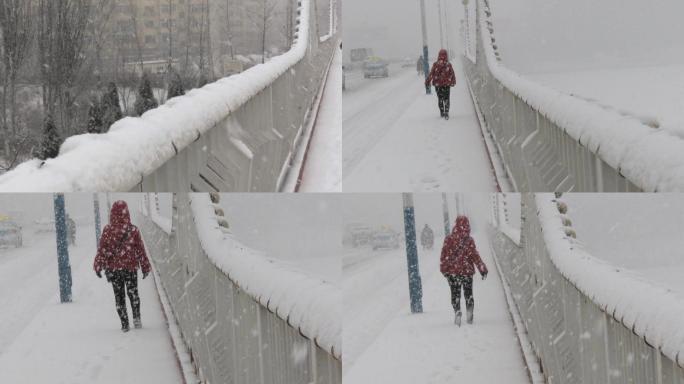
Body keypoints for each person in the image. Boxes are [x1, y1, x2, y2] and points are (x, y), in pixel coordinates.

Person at [94, 200, 151, 332]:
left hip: (114, 270)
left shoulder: (108, 230)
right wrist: (145, 267)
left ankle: (125, 324)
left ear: (112, 214)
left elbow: (102, 249)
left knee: (119, 297)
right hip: (130, 268)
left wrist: (98, 265)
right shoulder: (133, 230)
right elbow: (140, 250)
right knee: (133, 294)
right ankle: (136, 318)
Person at [440, 216, 488, 326]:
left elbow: (444, 256)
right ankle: (469, 312)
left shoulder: (449, 239)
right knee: (468, 294)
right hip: (467, 272)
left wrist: (445, 271)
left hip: (453, 273)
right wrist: (482, 269)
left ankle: (457, 310)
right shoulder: (469, 240)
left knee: (455, 294)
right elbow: (475, 256)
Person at [425, 49, 456, 120]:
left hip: (438, 85)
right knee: (447, 98)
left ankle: (442, 112)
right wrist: (453, 81)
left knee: (440, 98)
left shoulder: (436, 64)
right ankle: (446, 112)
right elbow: (452, 74)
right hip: (446, 84)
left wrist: (427, 82)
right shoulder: (448, 64)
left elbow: (431, 74)